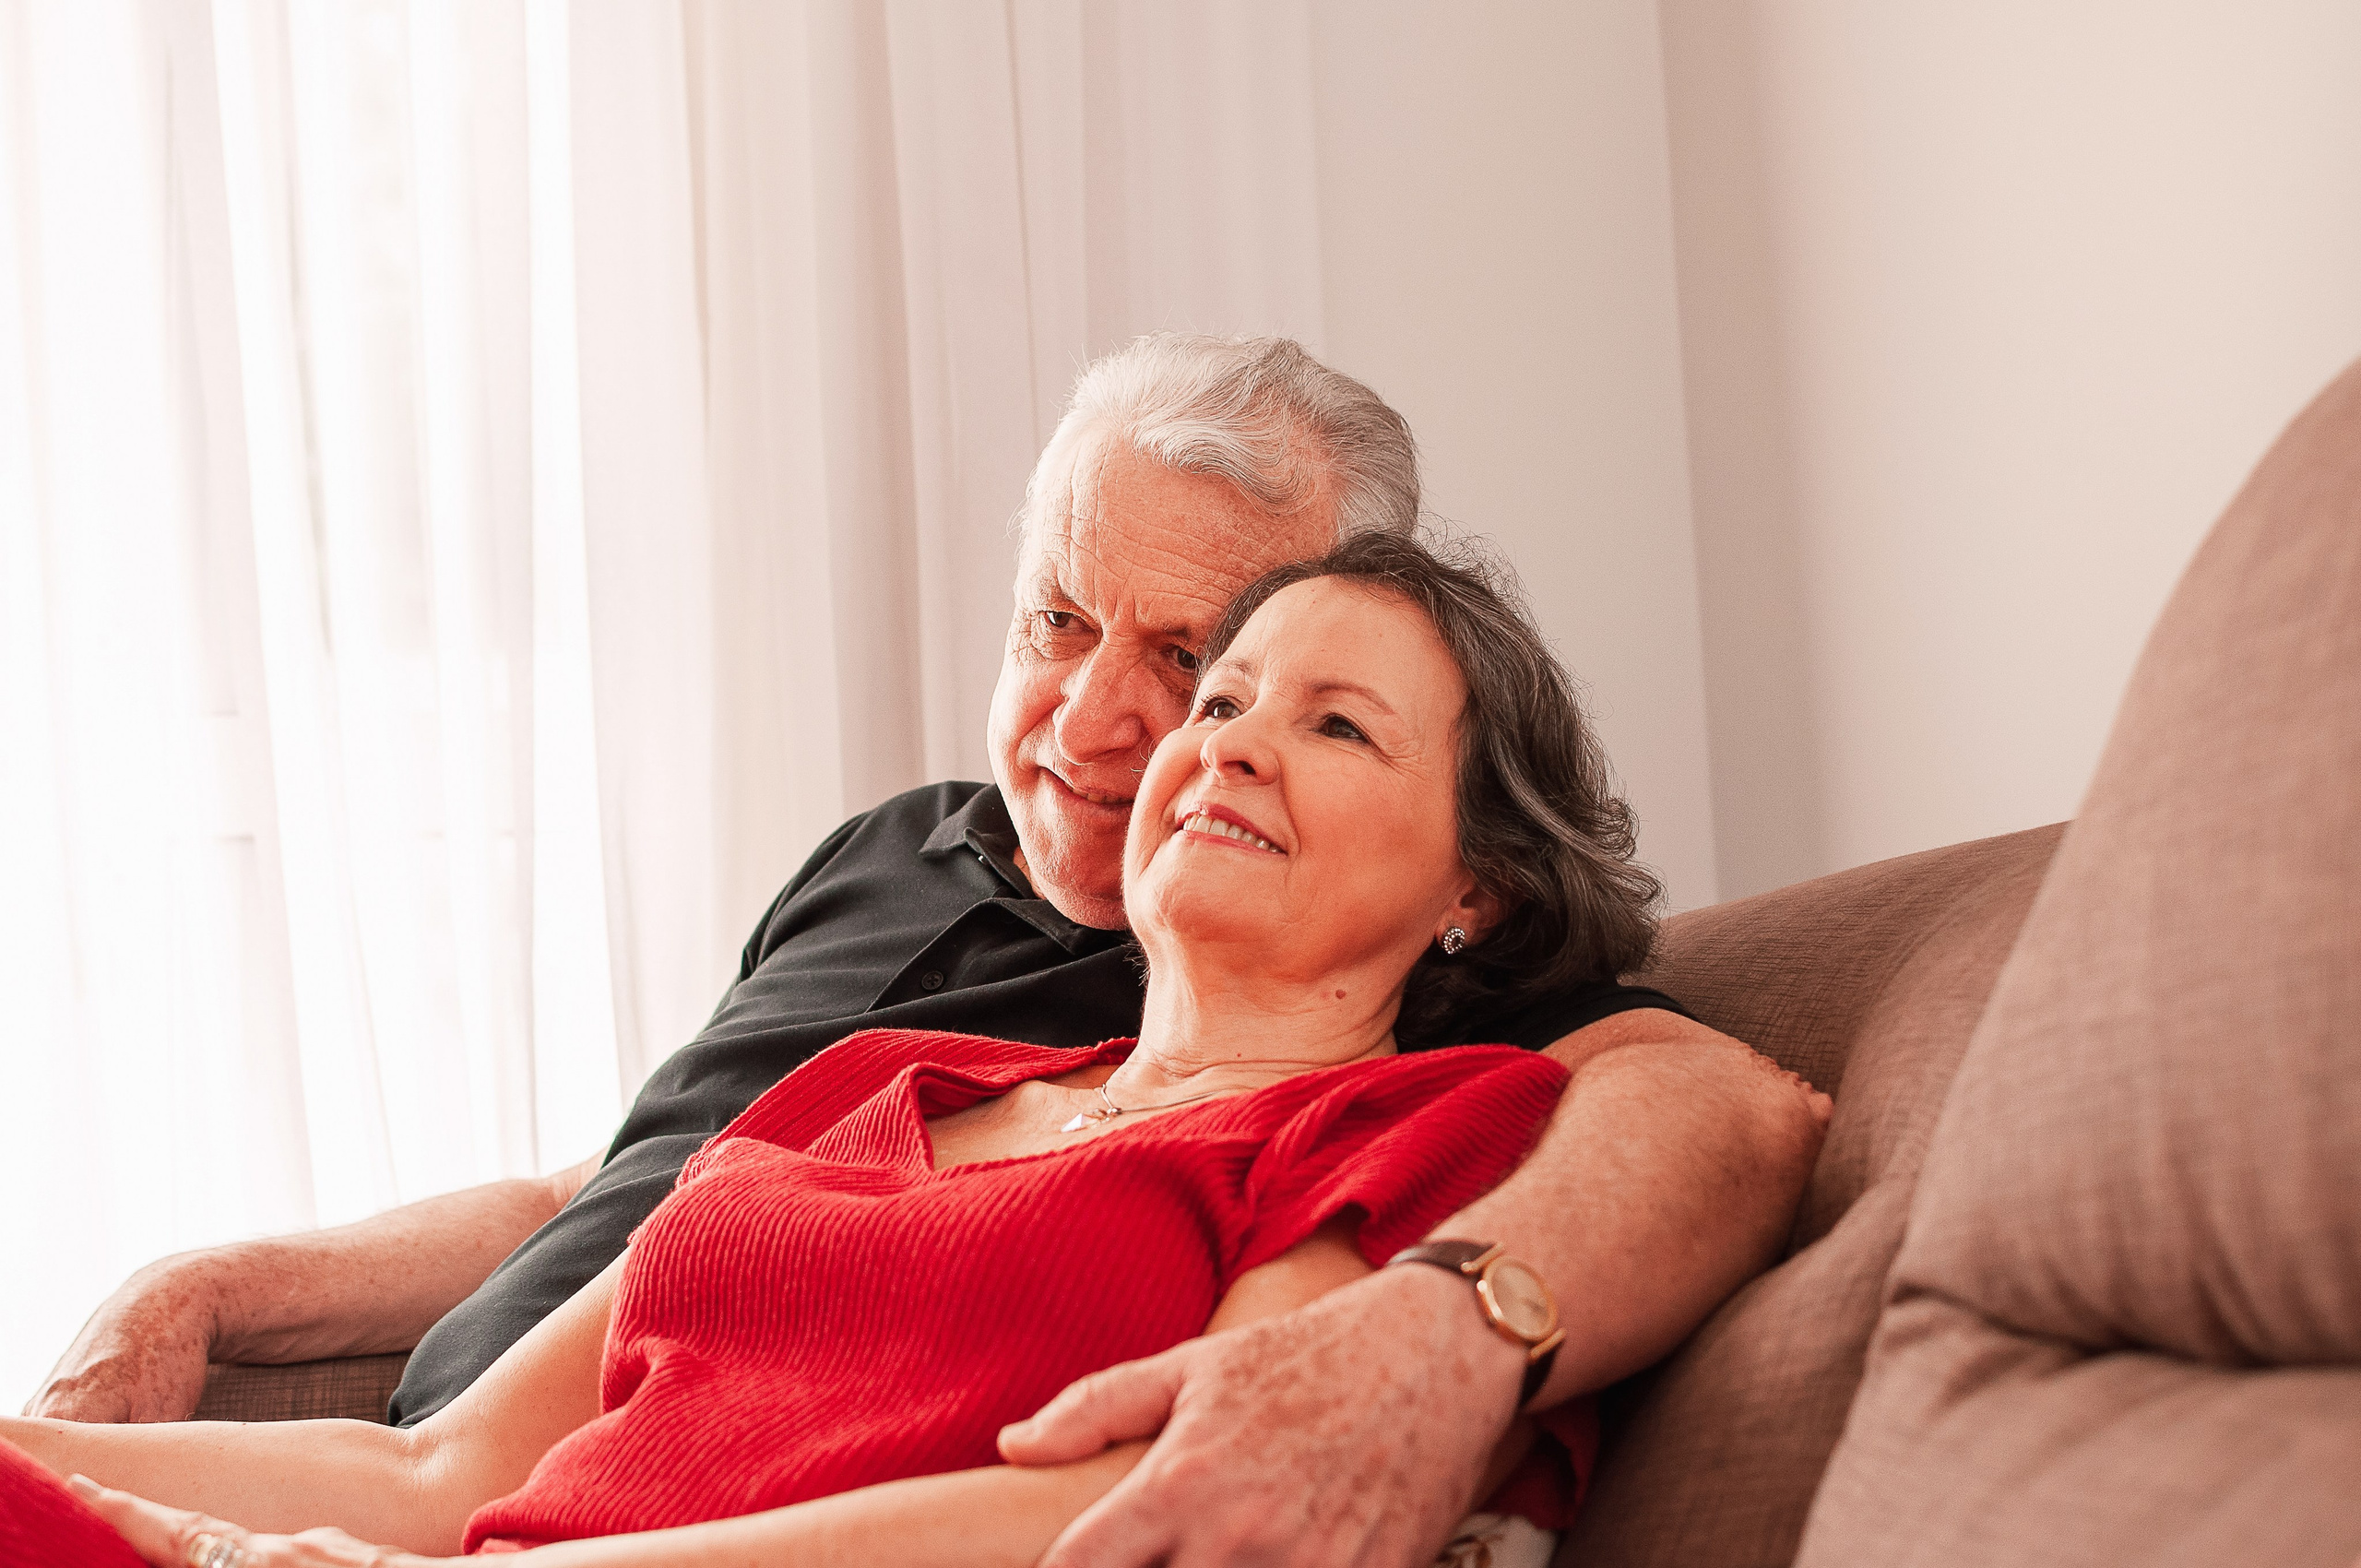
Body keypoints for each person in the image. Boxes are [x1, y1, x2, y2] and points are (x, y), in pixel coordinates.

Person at [30, 335, 1829, 1568]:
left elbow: (1717, 1105)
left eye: (1279, 693)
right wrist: (198, 1295)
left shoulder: (1434, 1101)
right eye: (1061, 620)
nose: (1127, 725)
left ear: (1472, 892)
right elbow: (485, 1398)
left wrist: (1467, 1324)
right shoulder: (886, 1036)